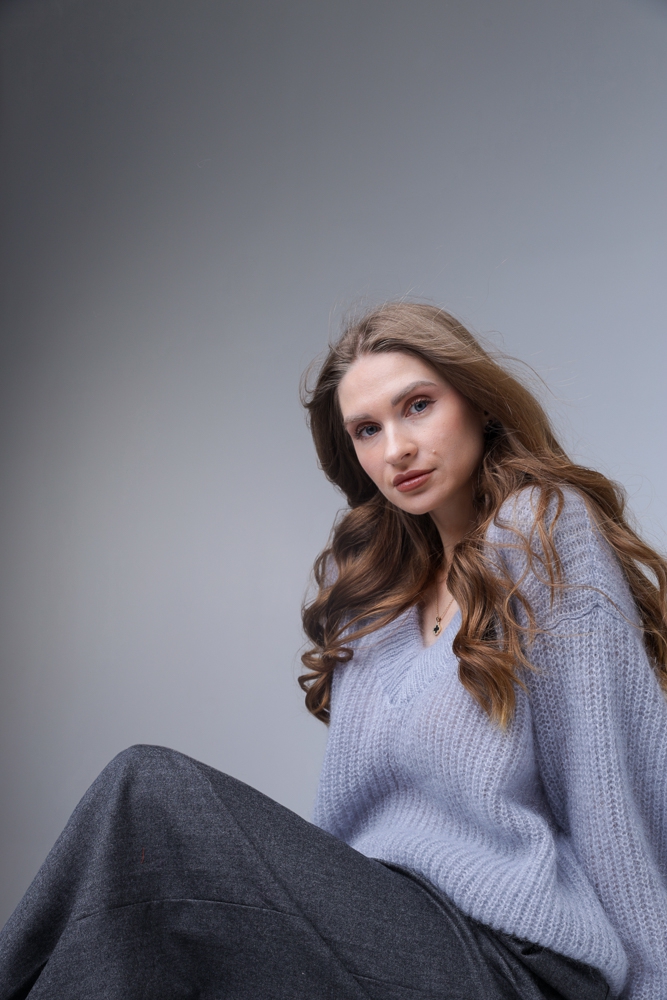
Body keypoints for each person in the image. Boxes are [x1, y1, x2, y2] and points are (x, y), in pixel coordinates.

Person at [0, 302, 665, 999]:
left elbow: (613, 793)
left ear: (478, 403)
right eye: (367, 430)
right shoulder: (376, 602)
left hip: (513, 960)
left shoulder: (541, 530)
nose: (396, 449)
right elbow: (347, 843)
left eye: (417, 406)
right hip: (390, 934)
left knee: (149, 792)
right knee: (135, 927)